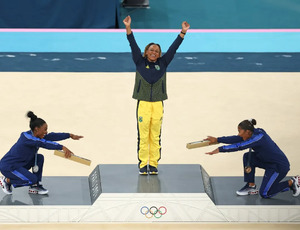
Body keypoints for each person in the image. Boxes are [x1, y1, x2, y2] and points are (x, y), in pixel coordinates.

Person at [123, 15, 190, 175]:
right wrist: (128, 28)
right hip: (143, 104)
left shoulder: (163, 63)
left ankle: (153, 164)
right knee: (143, 134)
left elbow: (173, 49)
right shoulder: (139, 61)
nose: (154, 52)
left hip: (158, 103)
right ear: (146, 52)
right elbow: (133, 45)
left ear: (159, 55)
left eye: (157, 51)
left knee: (155, 135)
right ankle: (142, 164)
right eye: (151, 50)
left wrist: (182, 32)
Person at [205, 119, 300, 198]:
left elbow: (239, 146)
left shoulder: (258, 138)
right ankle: (251, 186)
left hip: (278, 167)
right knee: (248, 157)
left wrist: (220, 149)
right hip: (266, 161)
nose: (238, 134)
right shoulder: (251, 134)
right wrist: (218, 140)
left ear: (248, 131)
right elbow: (236, 139)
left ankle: (292, 182)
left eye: (240, 131)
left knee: (265, 193)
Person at [0, 111, 83, 195]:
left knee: (39, 157)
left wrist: (69, 135)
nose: (46, 132)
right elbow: (43, 143)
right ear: (36, 129)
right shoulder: (26, 138)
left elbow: (52, 136)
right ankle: (7, 180)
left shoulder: (37, 135)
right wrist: (62, 147)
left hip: (20, 163)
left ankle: (35, 186)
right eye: (45, 129)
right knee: (31, 179)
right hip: (9, 166)